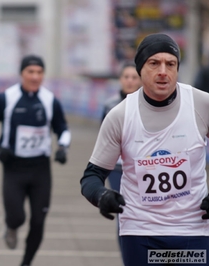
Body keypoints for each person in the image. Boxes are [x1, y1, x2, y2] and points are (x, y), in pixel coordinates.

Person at [80, 33, 209, 266]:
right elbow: (92, 176)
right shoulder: (120, 115)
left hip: (193, 228)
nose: (163, 71)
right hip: (140, 230)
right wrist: (102, 196)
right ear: (140, 69)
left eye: (170, 64)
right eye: (154, 63)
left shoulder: (201, 104)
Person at [0, 55, 71, 266]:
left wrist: (63, 147)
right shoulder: (6, 98)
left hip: (40, 169)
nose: (35, 76)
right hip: (14, 167)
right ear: (21, 74)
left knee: (38, 221)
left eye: (39, 72)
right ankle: (11, 227)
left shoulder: (49, 100)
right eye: (30, 72)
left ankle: (26, 263)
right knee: (17, 217)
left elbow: (62, 128)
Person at [101, 62, 141, 251]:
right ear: (120, 79)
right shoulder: (110, 106)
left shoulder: (149, 104)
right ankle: (128, 255)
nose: (130, 81)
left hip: (144, 167)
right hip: (117, 169)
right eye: (127, 77)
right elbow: (104, 139)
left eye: (134, 77)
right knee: (123, 212)